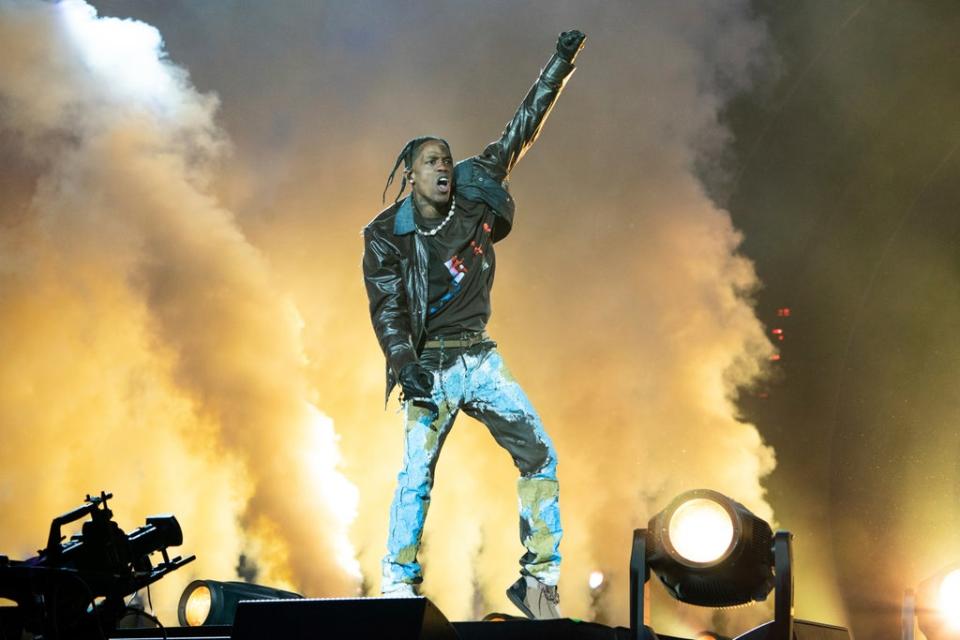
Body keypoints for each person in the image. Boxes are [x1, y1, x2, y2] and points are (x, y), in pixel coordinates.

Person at [361, 30, 585, 620]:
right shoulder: (386, 236)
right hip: (429, 365)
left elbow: (523, 126)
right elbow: (386, 306)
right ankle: (396, 588)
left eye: (445, 159)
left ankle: (539, 588)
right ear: (411, 174)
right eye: (431, 161)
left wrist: (560, 63)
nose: (443, 167)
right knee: (416, 475)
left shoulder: (475, 189)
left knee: (540, 455)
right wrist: (404, 363)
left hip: (480, 359)